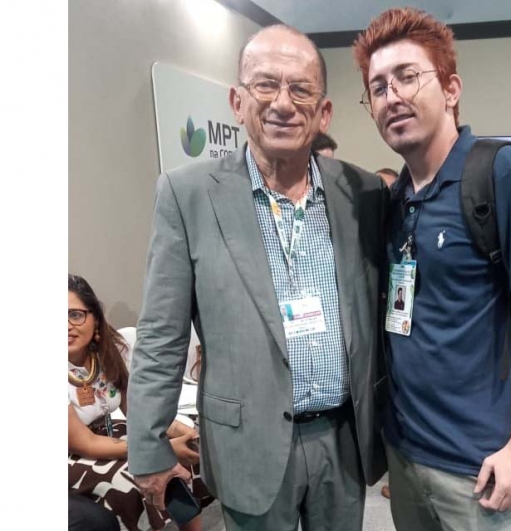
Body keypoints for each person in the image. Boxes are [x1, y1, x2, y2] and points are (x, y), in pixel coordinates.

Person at [127, 25, 388, 531]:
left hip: (344, 437)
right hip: (247, 440)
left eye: (301, 89)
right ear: (237, 102)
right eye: (266, 84)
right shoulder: (188, 195)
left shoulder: (363, 192)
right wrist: (147, 444)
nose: (282, 104)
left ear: (324, 112)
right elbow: (161, 334)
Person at [353, 8, 511, 530]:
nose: (392, 96)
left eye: (408, 76)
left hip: (478, 466)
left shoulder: (503, 173)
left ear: (451, 89)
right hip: (406, 453)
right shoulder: (396, 199)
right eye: (378, 87)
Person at [67, 274, 206, 531]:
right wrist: (159, 449)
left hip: (108, 433)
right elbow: (84, 442)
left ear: (95, 317)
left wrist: (183, 432)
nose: (66, 326)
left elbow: (138, 411)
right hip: (72, 452)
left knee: (185, 454)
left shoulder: (108, 351)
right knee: (136, 475)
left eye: (75, 315)